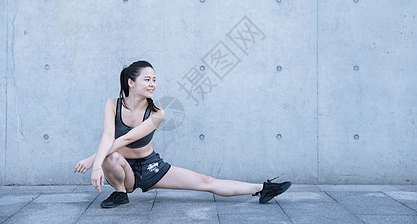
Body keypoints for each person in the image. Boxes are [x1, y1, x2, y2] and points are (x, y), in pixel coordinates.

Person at [74, 60, 291, 208]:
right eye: (147, 79)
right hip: (121, 169)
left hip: (151, 167)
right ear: (131, 82)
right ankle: (121, 193)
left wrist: (94, 161)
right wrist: (98, 163)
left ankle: (263, 188)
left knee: (206, 181)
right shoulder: (113, 104)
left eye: (154, 80)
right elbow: (108, 137)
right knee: (111, 158)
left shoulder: (157, 113)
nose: (153, 84)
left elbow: (127, 139)